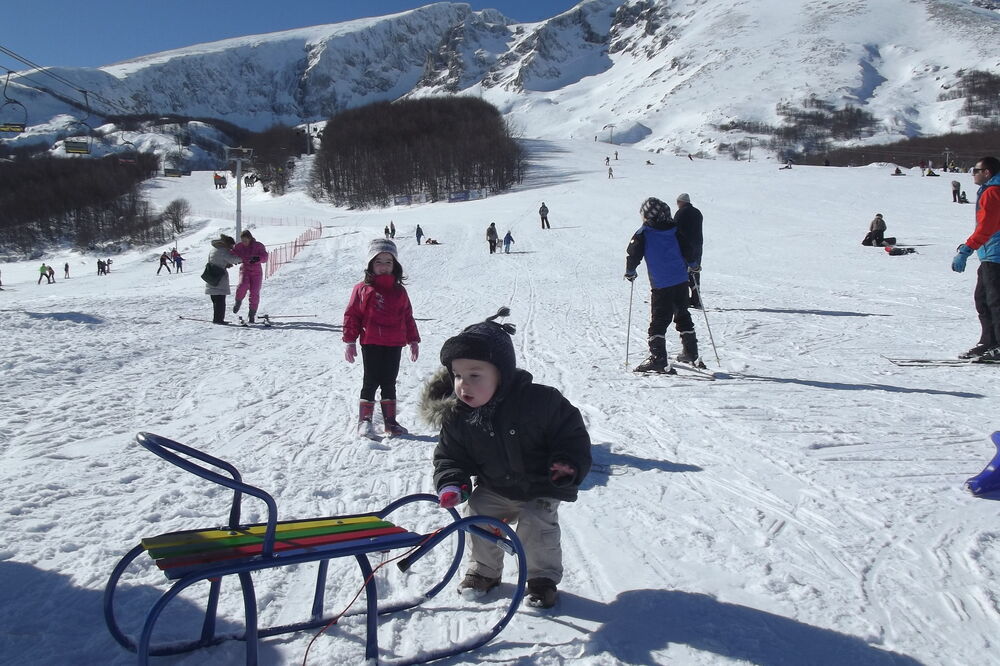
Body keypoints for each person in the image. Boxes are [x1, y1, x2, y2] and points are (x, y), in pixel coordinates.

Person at [421, 308, 591, 608]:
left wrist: (567, 463)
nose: (463, 384)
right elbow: (450, 456)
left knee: (537, 525)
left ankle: (541, 579)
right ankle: (485, 572)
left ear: (502, 373)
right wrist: (452, 482)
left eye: (475, 375)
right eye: (458, 375)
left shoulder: (541, 401)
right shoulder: (459, 416)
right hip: (496, 486)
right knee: (479, 514)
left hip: (540, 485)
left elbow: (571, 434)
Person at [343, 239, 420, 438]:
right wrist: (350, 341)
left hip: (394, 343)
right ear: (370, 264)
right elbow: (352, 315)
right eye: (379, 261)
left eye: (388, 262)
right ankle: (365, 421)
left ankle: (390, 422)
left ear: (395, 266)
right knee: (370, 381)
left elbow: (407, 316)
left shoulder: (400, 291)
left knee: (389, 382)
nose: (384, 266)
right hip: (371, 342)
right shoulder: (363, 289)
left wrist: (413, 340)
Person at [624, 197, 701, 371]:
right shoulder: (675, 230)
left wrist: (630, 271)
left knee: (659, 321)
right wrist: (694, 265)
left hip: (661, 284)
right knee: (682, 314)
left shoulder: (644, 232)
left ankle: (658, 358)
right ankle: (690, 352)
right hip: (681, 281)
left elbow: (633, 253)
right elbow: (688, 249)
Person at [952, 156, 1000, 362]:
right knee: (983, 300)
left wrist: (967, 249)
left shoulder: (992, 192)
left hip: (995, 254)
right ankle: (989, 342)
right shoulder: (990, 190)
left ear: (987, 172)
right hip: (989, 254)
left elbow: (987, 227)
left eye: (976, 170)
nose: (973, 174)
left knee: (995, 302)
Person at [674, 193, 704, 311]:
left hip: (685, 246)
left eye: (678, 202)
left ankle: (684, 299)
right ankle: (696, 299)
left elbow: (674, 229)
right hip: (698, 245)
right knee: (695, 270)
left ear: (682, 201)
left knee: (683, 272)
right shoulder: (697, 212)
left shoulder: (680, 213)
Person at [231, 230, 269, 323]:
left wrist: (258, 258)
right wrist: (234, 259)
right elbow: (233, 253)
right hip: (245, 270)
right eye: (242, 240)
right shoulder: (239, 246)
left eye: (246, 240)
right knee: (242, 286)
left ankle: (252, 314)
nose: (244, 242)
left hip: (256, 272)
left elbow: (265, 257)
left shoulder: (258, 246)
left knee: (254, 292)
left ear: (250, 238)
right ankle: (238, 302)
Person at [204, 234, 242, 324]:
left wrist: (225, 264)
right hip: (219, 278)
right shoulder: (223, 250)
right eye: (231, 246)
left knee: (215, 301)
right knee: (220, 300)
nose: (231, 248)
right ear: (227, 244)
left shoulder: (214, 249)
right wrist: (243, 259)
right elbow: (232, 259)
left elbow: (216, 261)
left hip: (211, 276)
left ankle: (216, 319)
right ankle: (219, 320)